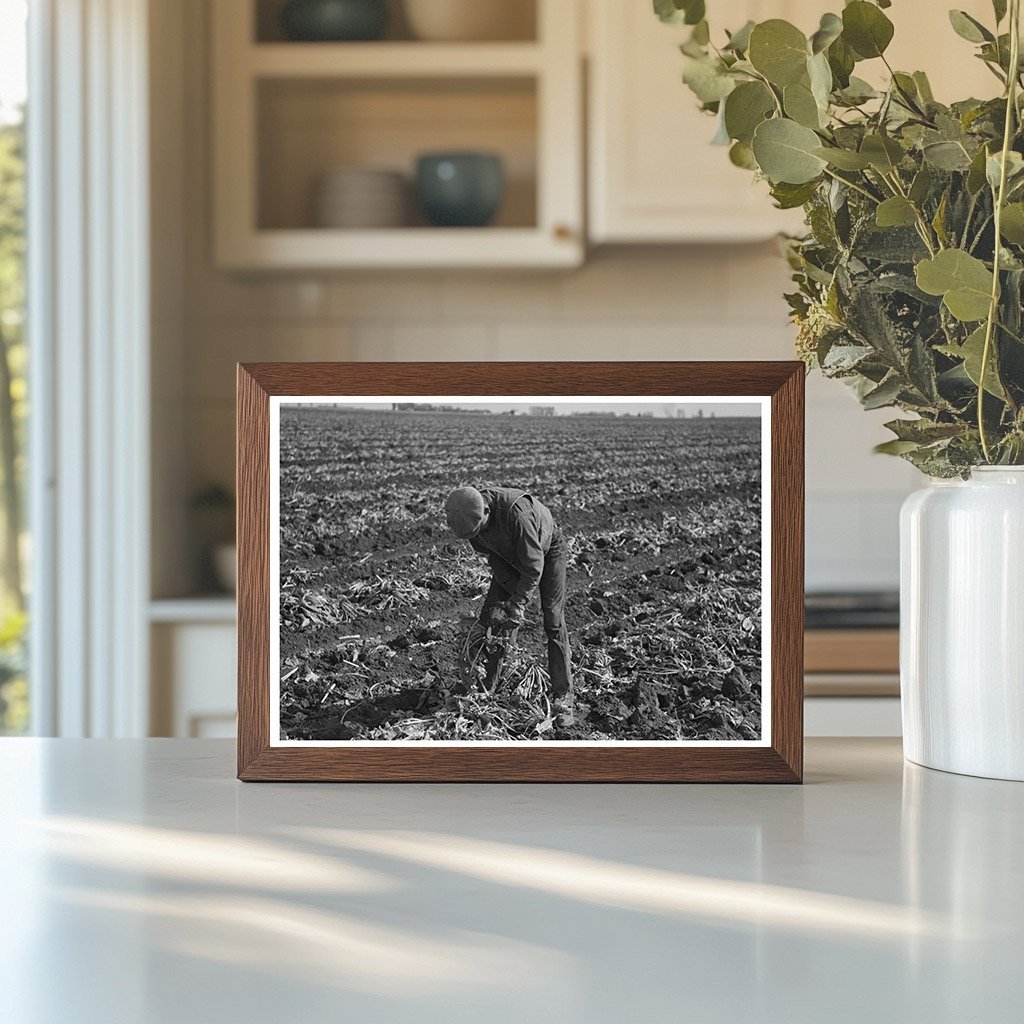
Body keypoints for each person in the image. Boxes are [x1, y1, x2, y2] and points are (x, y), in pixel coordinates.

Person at [444, 485, 574, 726]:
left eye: (479, 530)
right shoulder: (471, 523)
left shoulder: (518, 516)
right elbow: (493, 556)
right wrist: (504, 609)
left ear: (486, 510)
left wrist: (517, 603)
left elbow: (534, 568)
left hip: (546, 551)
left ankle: (563, 696)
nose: (476, 538)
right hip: (506, 557)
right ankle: (486, 688)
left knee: (553, 621)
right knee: (493, 622)